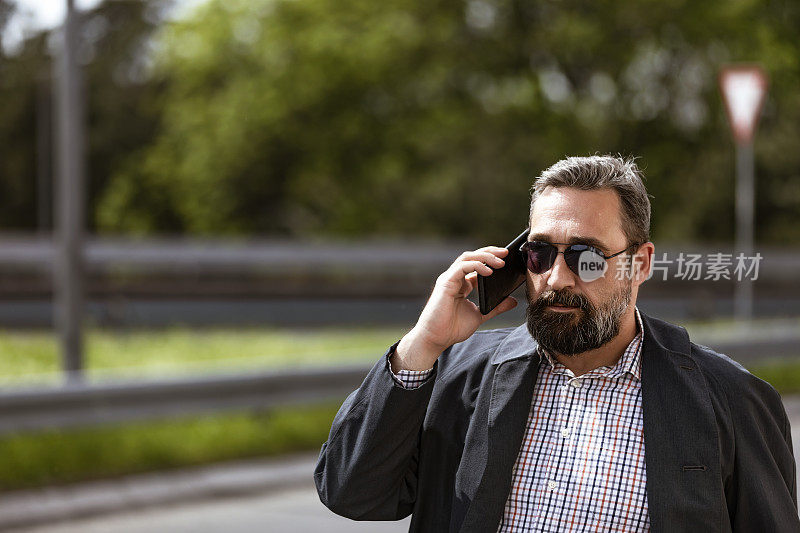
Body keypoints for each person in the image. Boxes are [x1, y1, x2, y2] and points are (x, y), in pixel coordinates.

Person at [314, 155, 799, 532]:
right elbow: (351, 493)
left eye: (587, 256)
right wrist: (423, 343)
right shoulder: (459, 376)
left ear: (641, 263)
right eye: (540, 253)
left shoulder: (731, 399)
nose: (557, 277)